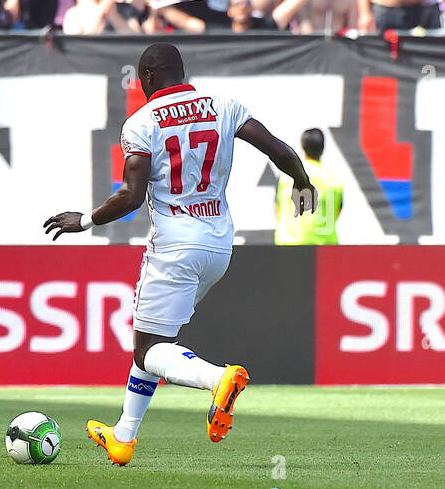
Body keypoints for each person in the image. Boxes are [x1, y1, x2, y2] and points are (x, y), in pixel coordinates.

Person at [43, 43, 317, 466]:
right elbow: (277, 149)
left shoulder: (140, 123)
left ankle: (218, 379)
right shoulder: (223, 105)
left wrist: (84, 221)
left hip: (174, 245)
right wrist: (301, 180)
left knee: (147, 350)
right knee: (155, 341)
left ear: (148, 78)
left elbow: (132, 197)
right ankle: (123, 436)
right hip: (219, 245)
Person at [275, 128, 343, 245]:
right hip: (325, 248)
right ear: (322, 148)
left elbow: (277, 208)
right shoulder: (334, 180)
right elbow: (337, 211)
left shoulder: (286, 177)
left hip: (289, 245)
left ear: (302, 146)